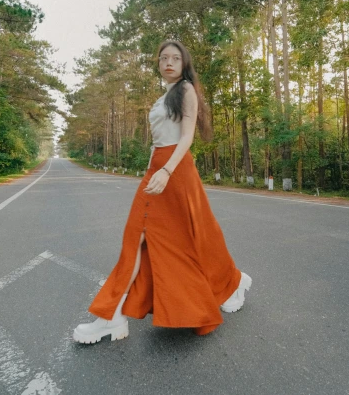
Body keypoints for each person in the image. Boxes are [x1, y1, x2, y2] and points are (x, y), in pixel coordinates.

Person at [73, 39, 252, 344]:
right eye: (164, 58)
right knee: (142, 238)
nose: (169, 63)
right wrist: (151, 171)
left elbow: (186, 138)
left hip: (176, 170)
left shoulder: (185, 90)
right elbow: (158, 141)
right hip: (158, 168)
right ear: (158, 63)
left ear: (184, 65)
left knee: (196, 235)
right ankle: (113, 316)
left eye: (176, 59)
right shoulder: (163, 96)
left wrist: (167, 171)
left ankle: (233, 281)